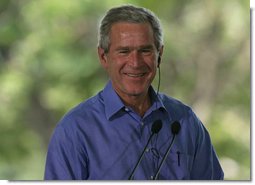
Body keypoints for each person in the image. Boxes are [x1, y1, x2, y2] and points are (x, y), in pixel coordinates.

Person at [44, 4, 224, 180]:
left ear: (159, 55)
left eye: (145, 50)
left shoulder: (186, 121)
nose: (135, 62)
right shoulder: (74, 131)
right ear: (103, 57)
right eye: (124, 51)